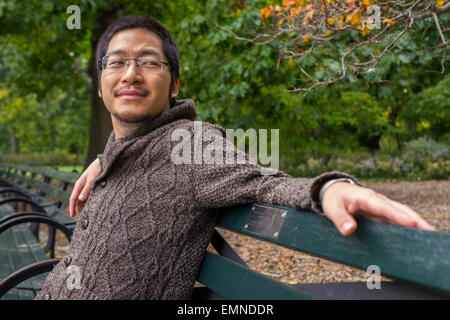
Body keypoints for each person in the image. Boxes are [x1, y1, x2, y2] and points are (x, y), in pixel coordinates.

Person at [35, 15, 434, 300]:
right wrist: (107, 160)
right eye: (117, 62)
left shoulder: (189, 143)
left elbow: (264, 181)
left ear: (174, 85)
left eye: (149, 61)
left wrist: (330, 188)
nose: (131, 74)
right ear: (102, 86)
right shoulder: (125, 152)